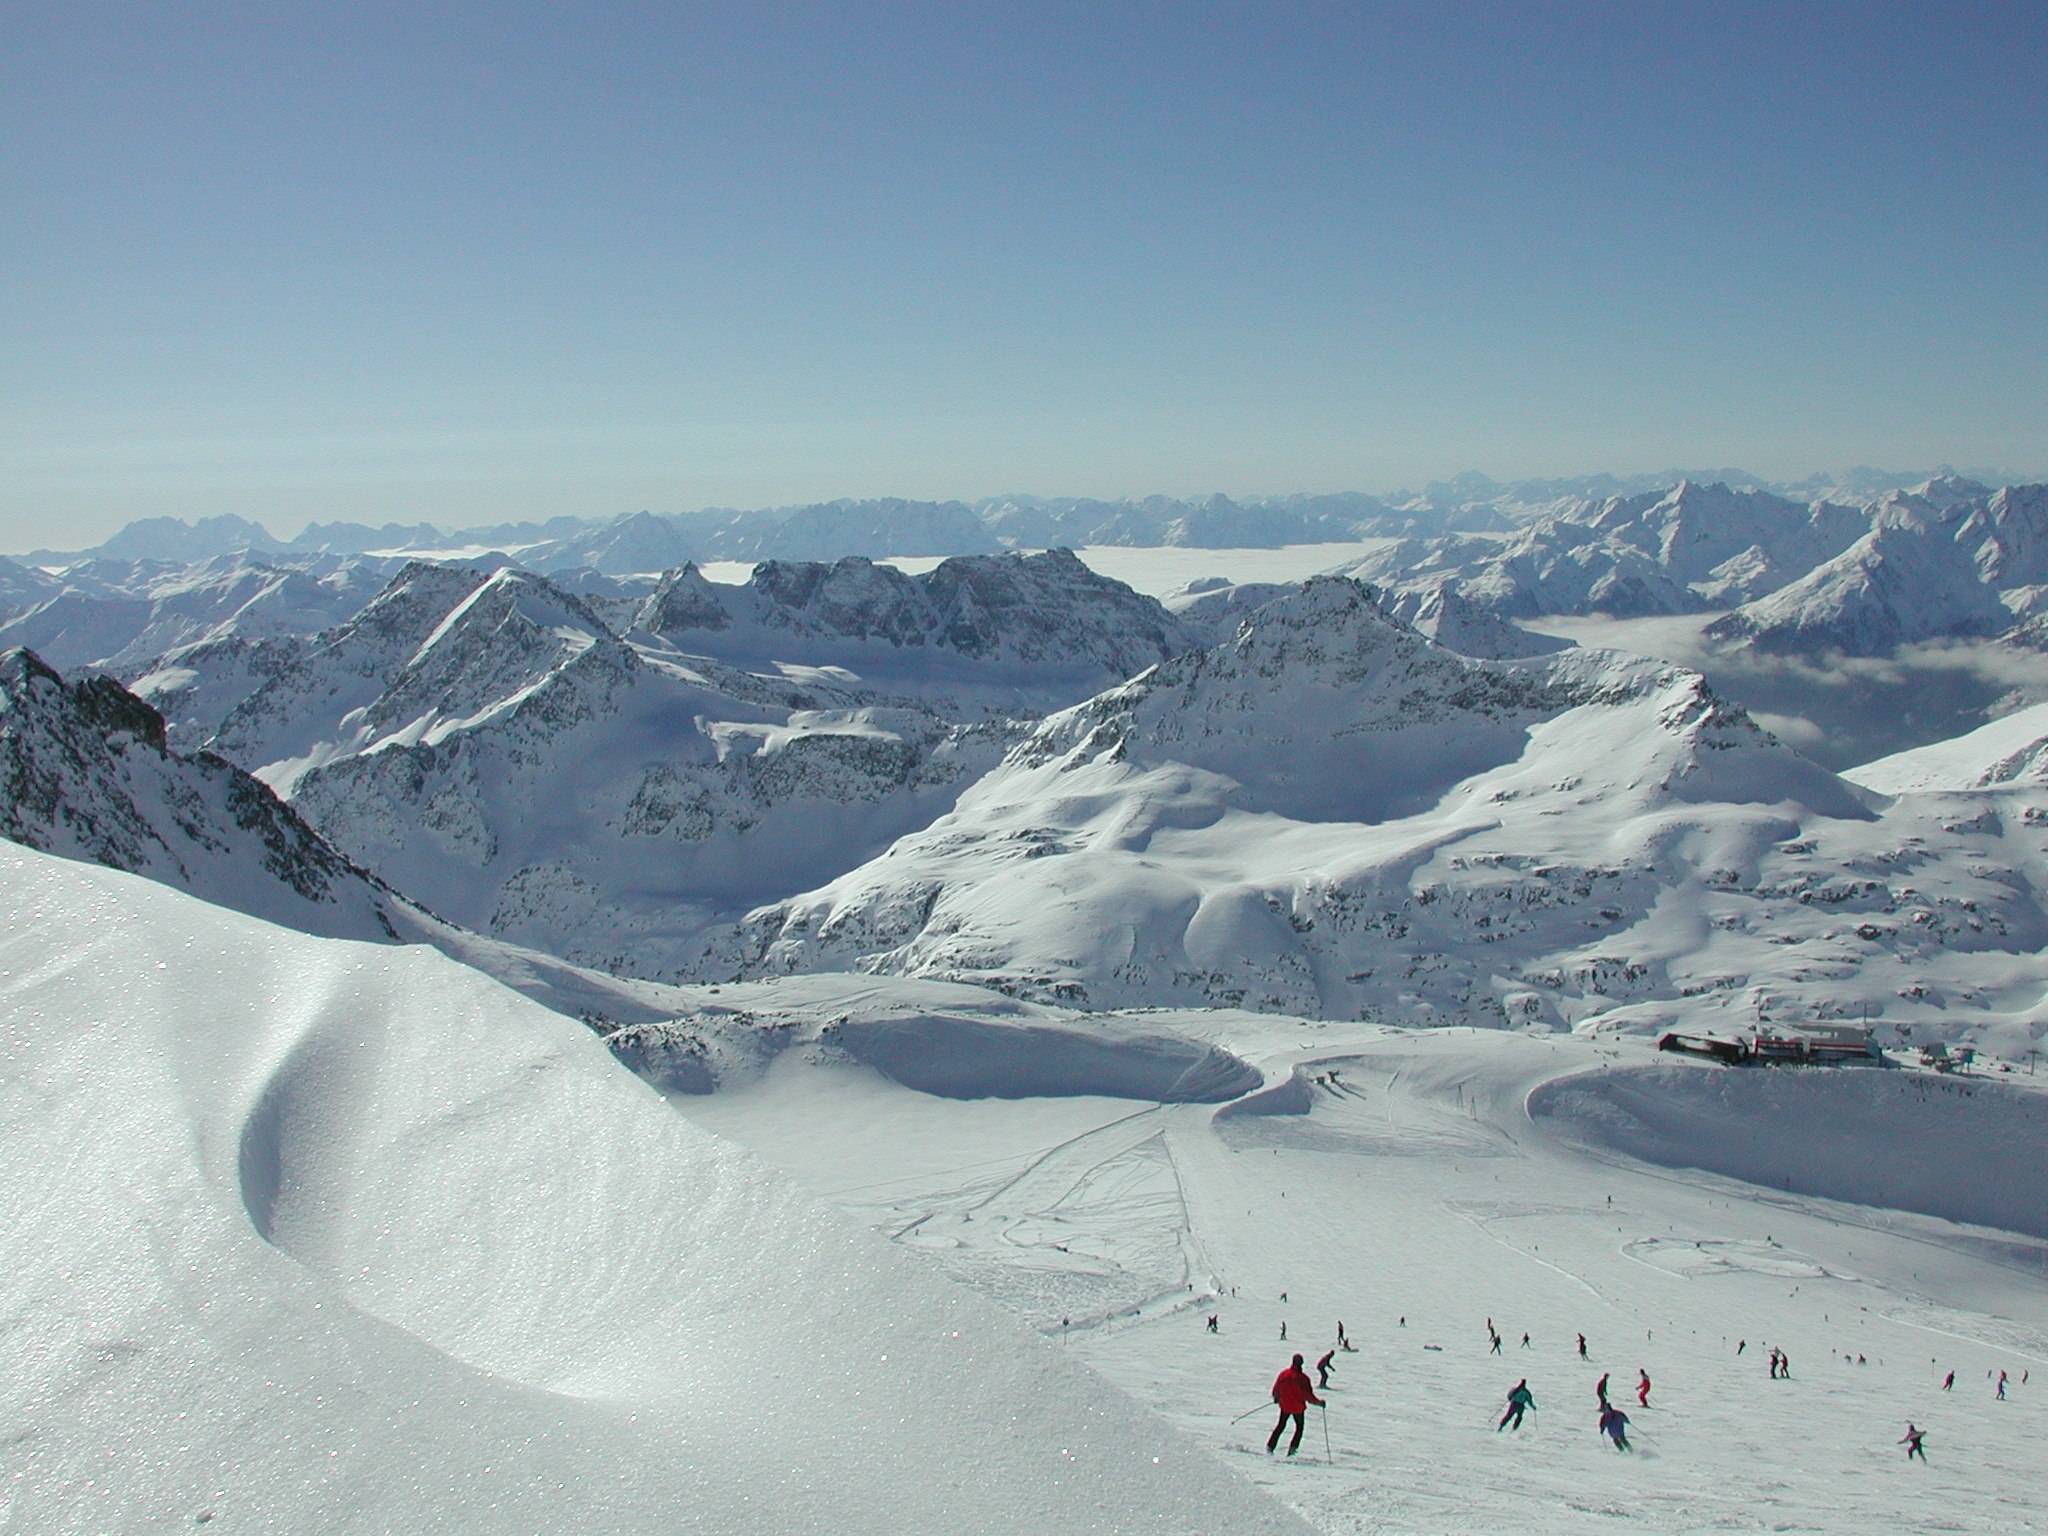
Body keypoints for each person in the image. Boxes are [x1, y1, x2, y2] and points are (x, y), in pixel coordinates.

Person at [1267, 1354, 1324, 1456]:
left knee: (1280, 1426)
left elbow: (1275, 1390)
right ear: (1301, 1363)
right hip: (1298, 1408)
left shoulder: (1283, 1374)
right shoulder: (1303, 1378)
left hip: (1285, 1406)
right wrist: (1319, 1403)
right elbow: (1309, 1397)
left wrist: (1277, 1398)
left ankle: (1270, 1447)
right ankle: (1292, 1450)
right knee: (1299, 1428)